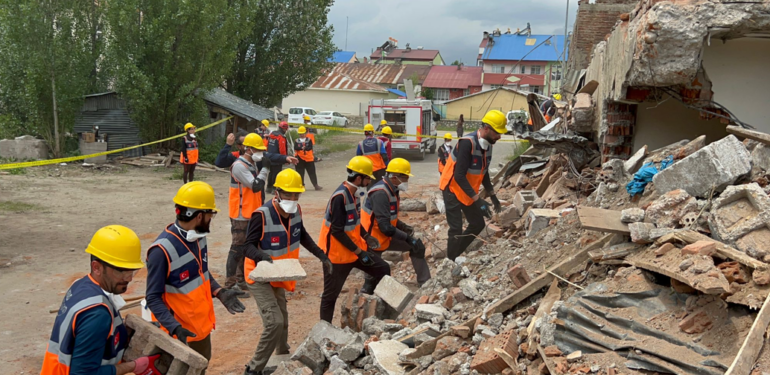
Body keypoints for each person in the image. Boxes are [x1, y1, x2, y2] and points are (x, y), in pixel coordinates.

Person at [241, 169, 333, 375]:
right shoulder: (261, 215)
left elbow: (303, 235)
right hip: (258, 275)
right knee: (275, 322)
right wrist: (261, 257)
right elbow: (246, 247)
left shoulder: (296, 211)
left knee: (282, 317)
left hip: (279, 275)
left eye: (296, 195)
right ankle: (253, 369)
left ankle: (282, 355)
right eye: (288, 194)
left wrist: (321, 255)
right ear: (277, 193)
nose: (292, 199)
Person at [145, 181, 246, 368]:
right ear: (199, 216)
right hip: (178, 335)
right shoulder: (161, 251)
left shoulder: (198, 238)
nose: (211, 219)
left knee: (200, 369)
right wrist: (175, 328)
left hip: (200, 329)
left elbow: (201, 272)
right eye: (210, 215)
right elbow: (152, 297)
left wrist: (219, 292)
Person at [41, 226, 161, 375]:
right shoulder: (97, 315)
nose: (129, 278)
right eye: (121, 271)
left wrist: (123, 332)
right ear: (96, 267)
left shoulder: (81, 285)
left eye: (132, 271)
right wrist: (134, 366)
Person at [318, 156, 391, 323]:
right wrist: (360, 252)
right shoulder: (340, 197)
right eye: (367, 179)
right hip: (336, 256)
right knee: (330, 295)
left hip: (353, 251)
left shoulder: (355, 195)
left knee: (383, 268)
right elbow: (337, 231)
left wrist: (366, 236)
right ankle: (324, 330)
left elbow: (355, 222)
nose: (368, 183)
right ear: (359, 178)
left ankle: (375, 310)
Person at [439, 110, 506, 261]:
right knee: (455, 228)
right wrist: (478, 200)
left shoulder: (488, 145)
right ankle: (450, 262)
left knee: (477, 224)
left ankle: (455, 254)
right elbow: (459, 175)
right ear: (487, 128)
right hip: (452, 188)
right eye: (497, 132)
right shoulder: (466, 143)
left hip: (467, 189)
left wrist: (493, 195)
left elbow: (484, 171)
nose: (499, 136)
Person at [360, 158, 429, 293]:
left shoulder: (392, 189)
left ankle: (426, 284)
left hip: (385, 235)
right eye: (405, 178)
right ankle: (367, 296)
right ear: (394, 177)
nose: (407, 181)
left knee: (417, 247)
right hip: (372, 239)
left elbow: (389, 218)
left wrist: (403, 227)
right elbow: (385, 226)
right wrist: (407, 238)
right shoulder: (380, 193)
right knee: (373, 279)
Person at [226, 133, 270, 291]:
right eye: (258, 150)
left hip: (250, 212)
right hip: (240, 214)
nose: (261, 153)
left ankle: (241, 280)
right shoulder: (239, 166)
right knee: (237, 249)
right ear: (249, 149)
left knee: (247, 248)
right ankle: (231, 285)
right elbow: (256, 185)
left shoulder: (251, 165)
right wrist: (265, 169)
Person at [267, 121, 298, 194]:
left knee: (271, 172)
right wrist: (285, 159)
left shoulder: (272, 134)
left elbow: (267, 144)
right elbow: (282, 149)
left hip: (270, 156)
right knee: (276, 173)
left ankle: (269, 187)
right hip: (277, 158)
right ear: (284, 129)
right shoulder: (281, 137)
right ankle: (274, 189)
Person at [294, 126, 323, 191]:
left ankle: (316, 185)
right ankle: (301, 185)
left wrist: (305, 148)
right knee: (300, 173)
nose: (301, 135)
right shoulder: (296, 141)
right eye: (300, 134)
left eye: (302, 133)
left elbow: (310, 147)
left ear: (305, 133)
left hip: (309, 159)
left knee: (312, 172)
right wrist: (301, 148)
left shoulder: (309, 140)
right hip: (300, 158)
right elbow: (295, 147)